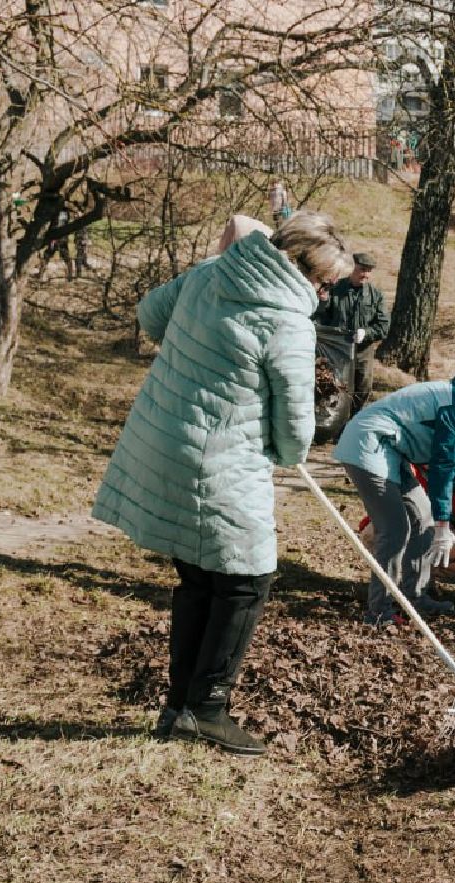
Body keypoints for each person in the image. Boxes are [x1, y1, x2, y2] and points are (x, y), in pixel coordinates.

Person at [93, 211, 350, 756]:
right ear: (303, 269)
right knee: (245, 580)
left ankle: (177, 706)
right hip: (222, 459)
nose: (325, 295)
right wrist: (284, 454)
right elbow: (298, 426)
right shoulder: (287, 321)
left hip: (165, 436)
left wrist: (195, 352)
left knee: (199, 576)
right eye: (325, 283)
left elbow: (149, 316)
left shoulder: (212, 272)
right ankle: (207, 709)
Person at [333, 371, 455, 626]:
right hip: (369, 445)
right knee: (394, 530)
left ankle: (415, 596)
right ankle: (379, 612)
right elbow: (440, 470)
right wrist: (443, 528)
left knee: (423, 515)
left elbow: (449, 462)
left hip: (391, 450)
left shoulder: (449, 398)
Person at [314, 252, 390, 351]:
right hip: (336, 348)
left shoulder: (376, 295)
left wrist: (366, 333)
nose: (366, 275)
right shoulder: (335, 288)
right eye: (362, 270)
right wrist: (323, 302)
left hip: (363, 353)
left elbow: (383, 326)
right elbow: (320, 318)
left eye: (369, 271)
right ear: (352, 268)